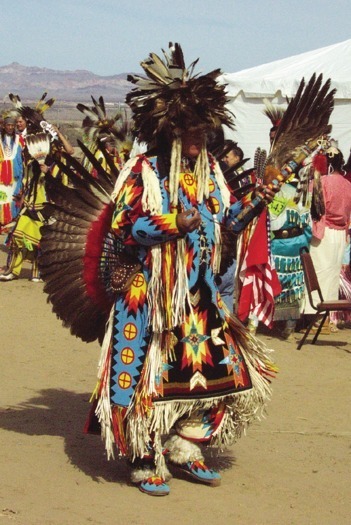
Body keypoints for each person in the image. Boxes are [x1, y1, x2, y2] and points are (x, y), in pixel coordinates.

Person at [303, 144, 351, 330]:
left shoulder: (321, 182)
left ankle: (316, 318)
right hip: (340, 236)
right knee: (332, 276)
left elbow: (313, 209)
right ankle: (329, 318)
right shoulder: (348, 185)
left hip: (323, 233)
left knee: (318, 273)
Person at [0, 115, 24, 231]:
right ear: (4, 126)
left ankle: (11, 221)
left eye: (12, 125)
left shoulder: (19, 139)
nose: (10, 127)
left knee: (12, 198)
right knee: (2, 198)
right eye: (8, 125)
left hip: (15, 175)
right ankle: (2, 221)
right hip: (1, 176)